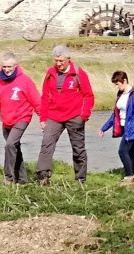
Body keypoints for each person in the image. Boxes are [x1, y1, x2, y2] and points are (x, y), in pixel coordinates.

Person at [36, 45, 95, 184]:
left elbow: (88, 96)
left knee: (78, 148)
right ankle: (43, 177)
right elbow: (45, 96)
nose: (58, 64)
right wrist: (43, 118)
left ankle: (80, 179)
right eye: (56, 60)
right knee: (46, 144)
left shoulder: (79, 74)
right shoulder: (50, 73)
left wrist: (84, 116)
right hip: (53, 116)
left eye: (61, 61)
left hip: (75, 116)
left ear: (69, 59)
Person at [0, 52, 40, 184]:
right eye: (4, 67)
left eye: (9, 66)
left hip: (22, 117)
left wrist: (43, 119)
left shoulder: (24, 80)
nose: (7, 69)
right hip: (6, 119)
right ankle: (22, 180)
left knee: (10, 145)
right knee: (15, 148)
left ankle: (8, 178)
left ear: (16, 66)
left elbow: (36, 100)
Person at [98, 71, 134, 183]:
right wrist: (104, 128)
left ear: (125, 81)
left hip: (132, 129)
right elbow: (115, 115)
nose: (116, 86)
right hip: (124, 128)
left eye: (118, 84)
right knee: (130, 153)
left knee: (122, 151)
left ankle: (129, 176)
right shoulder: (121, 94)